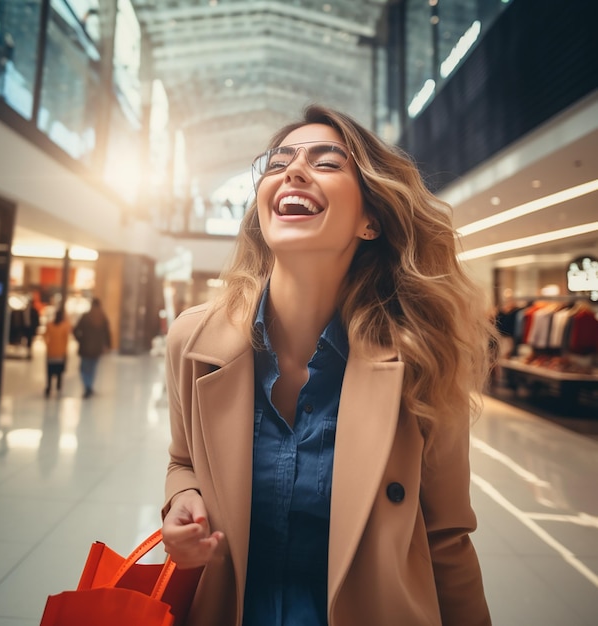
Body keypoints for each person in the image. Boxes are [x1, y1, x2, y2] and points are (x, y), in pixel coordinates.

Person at [161, 105, 496, 626]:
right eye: (278, 162)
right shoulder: (194, 341)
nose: (293, 171)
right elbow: (183, 460)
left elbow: (446, 536)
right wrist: (181, 501)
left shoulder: (422, 358)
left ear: (370, 221)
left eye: (327, 162)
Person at [73, 297, 111, 398]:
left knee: (83, 368)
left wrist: (79, 339)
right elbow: (107, 333)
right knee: (92, 368)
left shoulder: (86, 316)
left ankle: (87, 386)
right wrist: (107, 345)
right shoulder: (103, 317)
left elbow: (76, 329)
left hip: (85, 346)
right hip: (96, 348)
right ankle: (89, 385)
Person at [42, 308, 71, 397]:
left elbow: (45, 336)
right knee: (59, 372)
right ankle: (58, 387)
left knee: (50, 371)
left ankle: (49, 387)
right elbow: (66, 340)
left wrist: (48, 345)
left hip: (51, 352)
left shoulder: (50, 325)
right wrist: (65, 351)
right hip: (60, 352)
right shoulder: (65, 326)